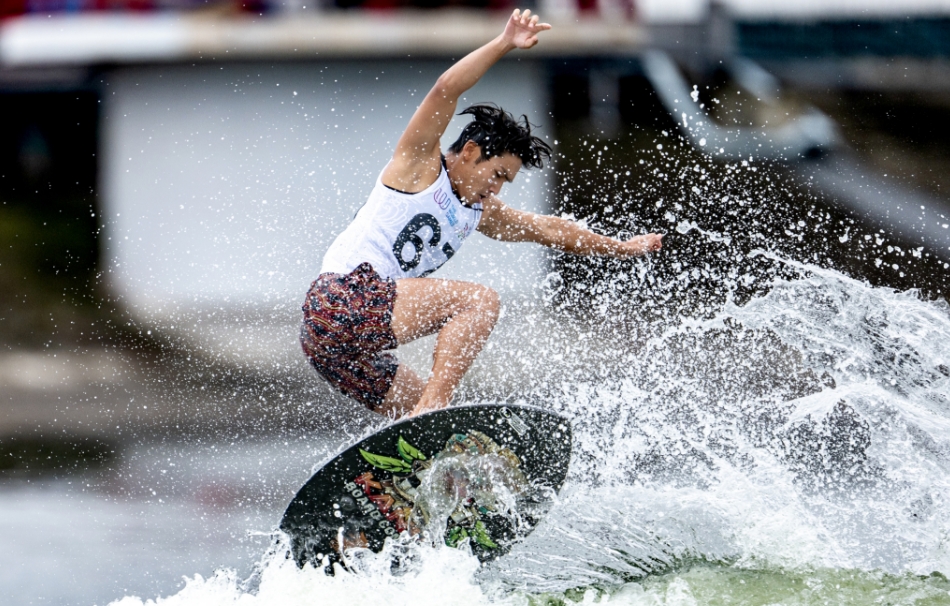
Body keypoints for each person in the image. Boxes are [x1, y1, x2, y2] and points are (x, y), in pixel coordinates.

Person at [301, 8, 663, 420]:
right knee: (478, 301)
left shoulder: (476, 210)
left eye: (505, 182)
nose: (497, 188)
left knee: (441, 433)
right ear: (470, 152)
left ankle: (393, 479)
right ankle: (432, 405)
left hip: (334, 344)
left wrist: (620, 248)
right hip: (341, 300)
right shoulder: (419, 166)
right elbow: (444, 91)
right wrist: (505, 42)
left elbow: (549, 230)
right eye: (497, 175)